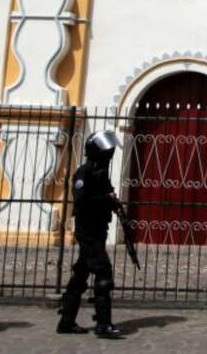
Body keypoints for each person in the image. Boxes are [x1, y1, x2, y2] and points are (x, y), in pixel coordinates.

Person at [57, 129, 124, 338]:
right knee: (103, 272)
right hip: (87, 231)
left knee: (81, 274)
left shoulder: (100, 173)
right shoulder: (84, 173)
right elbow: (81, 201)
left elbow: (106, 195)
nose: (109, 154)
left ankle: (66, 321)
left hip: (98, 229)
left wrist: (112, 202)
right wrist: (105, 200)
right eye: (106, 150)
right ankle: (103, 324)